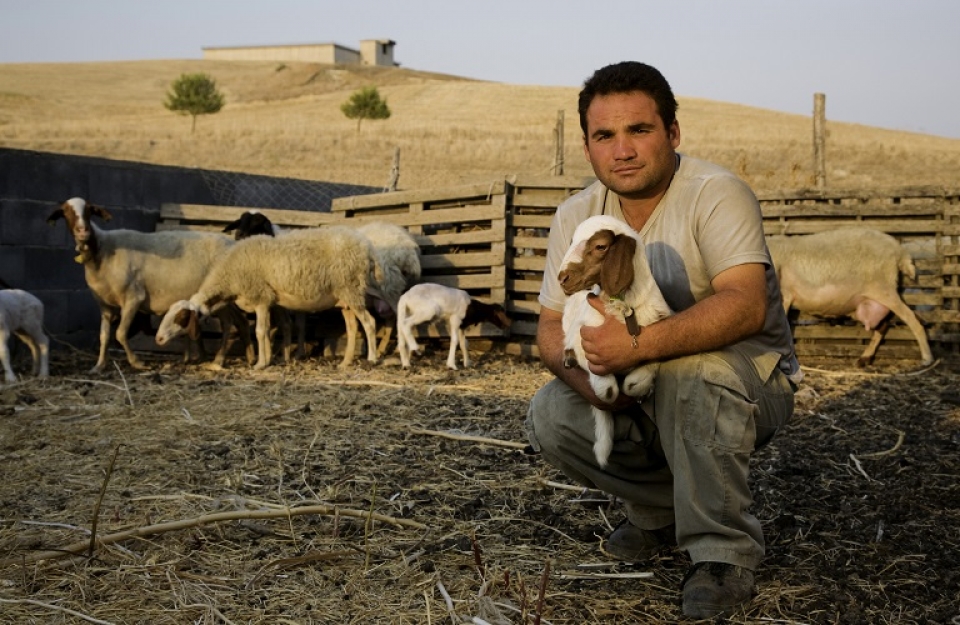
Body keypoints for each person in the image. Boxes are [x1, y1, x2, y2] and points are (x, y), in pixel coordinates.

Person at [525, 61, 801, 619]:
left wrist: (636, 347)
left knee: (689, 372)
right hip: (638, 375)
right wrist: (592, 380)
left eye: (639, 130)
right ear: (587, 147)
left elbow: (745, 303)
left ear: (673, 133)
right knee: (552, 412)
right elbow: (551, 330)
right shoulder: (576, 215)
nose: (622, 149)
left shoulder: (716, 193)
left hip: (747, 378)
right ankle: (660, 514)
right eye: (605, 135)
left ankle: (724, 552)